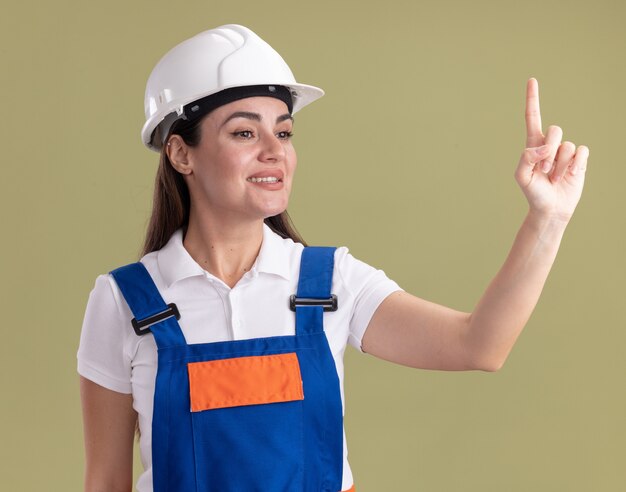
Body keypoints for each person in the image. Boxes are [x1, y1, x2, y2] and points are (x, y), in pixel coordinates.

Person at [77, 24, 589, 492]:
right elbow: (105, 481)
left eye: (283, 132)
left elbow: (479, 345)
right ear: (180, 153)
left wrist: (547, 220)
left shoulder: (328, 282)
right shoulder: (125, 302)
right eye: (243, 132)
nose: (274, 151)